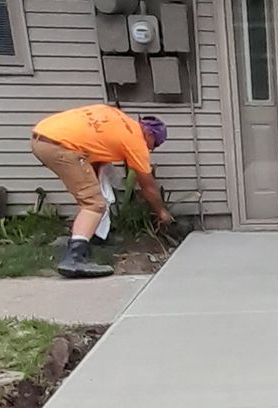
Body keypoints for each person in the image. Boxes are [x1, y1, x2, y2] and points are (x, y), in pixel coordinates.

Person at [30, 104, 172, 278]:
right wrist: (162, 212)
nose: (152, 149)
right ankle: (75, 258)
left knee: (89, 198)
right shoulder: (136, 141)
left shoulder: (116, 117)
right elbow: (148, 186)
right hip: (62, 147)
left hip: (43, 136)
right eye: (155, 144)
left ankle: (89, 240)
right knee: (94, 204)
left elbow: (93, 144)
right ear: (149, 134)